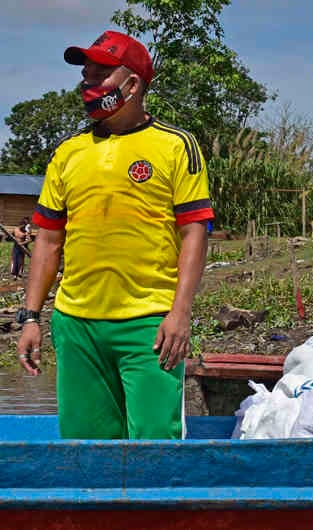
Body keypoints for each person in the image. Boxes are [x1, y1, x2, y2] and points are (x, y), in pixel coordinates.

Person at [16, 30, 214, 440]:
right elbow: (48, 240)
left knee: (156, 446)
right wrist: (32, 317)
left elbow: (194, 232)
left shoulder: (176, 146)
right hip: (77, 325)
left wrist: (180, 314)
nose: (88, 81)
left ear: (132, 84)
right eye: (85, 73)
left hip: (149, 325)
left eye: (100, 72)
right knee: (87, 451)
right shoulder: (69, 152)